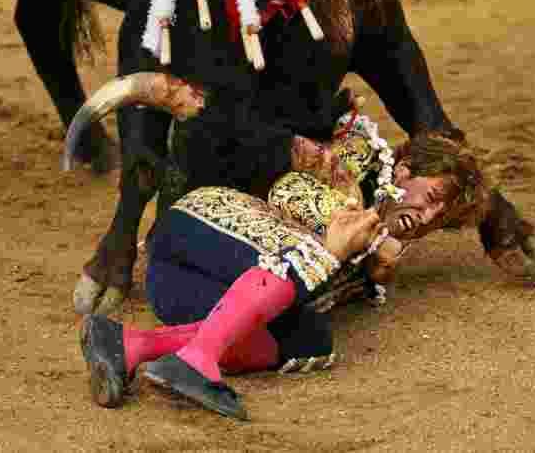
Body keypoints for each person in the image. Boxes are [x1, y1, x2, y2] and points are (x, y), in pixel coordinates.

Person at [80, 106, 491, 420]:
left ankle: (131, 345)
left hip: (193, 291)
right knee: (301, 258)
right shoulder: (353, 162)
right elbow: (288, 190)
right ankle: (196, 361)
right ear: (404, 172)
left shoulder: (381, 243)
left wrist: (367, 262)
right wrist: (351, 234)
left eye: (443, 219)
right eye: (434, 198)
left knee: (312, 338)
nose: (430, 217)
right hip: (198, 232)